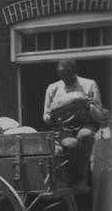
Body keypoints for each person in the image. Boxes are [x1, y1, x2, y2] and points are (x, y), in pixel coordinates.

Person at [43, 59, 105, 190]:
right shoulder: (53, 88)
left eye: (67, 73)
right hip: (63, 129)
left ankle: (81, 180)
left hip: (85, 125)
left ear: (75, 72)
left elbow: (99, 117)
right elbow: (46, 117)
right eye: (61, 74)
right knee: (71, 144)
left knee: (85, 136)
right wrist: (52, 116)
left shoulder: (89, 84)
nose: (64, 77)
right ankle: (68, 179)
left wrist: (89, 106)